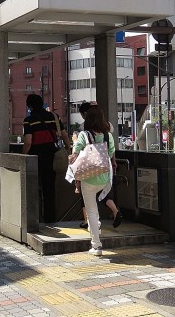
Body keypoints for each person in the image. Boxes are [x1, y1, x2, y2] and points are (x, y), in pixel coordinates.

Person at [69, 106, 116, 256]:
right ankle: (96, 225)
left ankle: (96, 246)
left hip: (89, 178)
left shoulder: (84, 135)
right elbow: (111, 154)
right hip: (104, 178)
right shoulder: (108, 136)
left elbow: (74, 154)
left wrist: (75, 140)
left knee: (91, 211)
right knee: (96, 207)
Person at [22, 93, 71, 224]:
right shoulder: (53, 117)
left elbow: (28, 142)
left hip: (35, 159)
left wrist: (22, 157)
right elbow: (65, 135)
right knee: (49, 190)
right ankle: (50, 219)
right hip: (52, 157)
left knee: (33, 189)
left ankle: (35, 220)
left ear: (30, 106)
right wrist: (68, 149)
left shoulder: (29, 120)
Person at [76, 103, 123, 230]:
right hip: (104, 168)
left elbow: (77, 150)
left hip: (89, 167)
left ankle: (88, 221)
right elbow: (111, 150)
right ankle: (115, 211)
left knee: (86, 195)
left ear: (86, 115)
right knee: (103, 193)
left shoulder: (84, 131)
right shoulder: (108, 129)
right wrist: (113, 161)